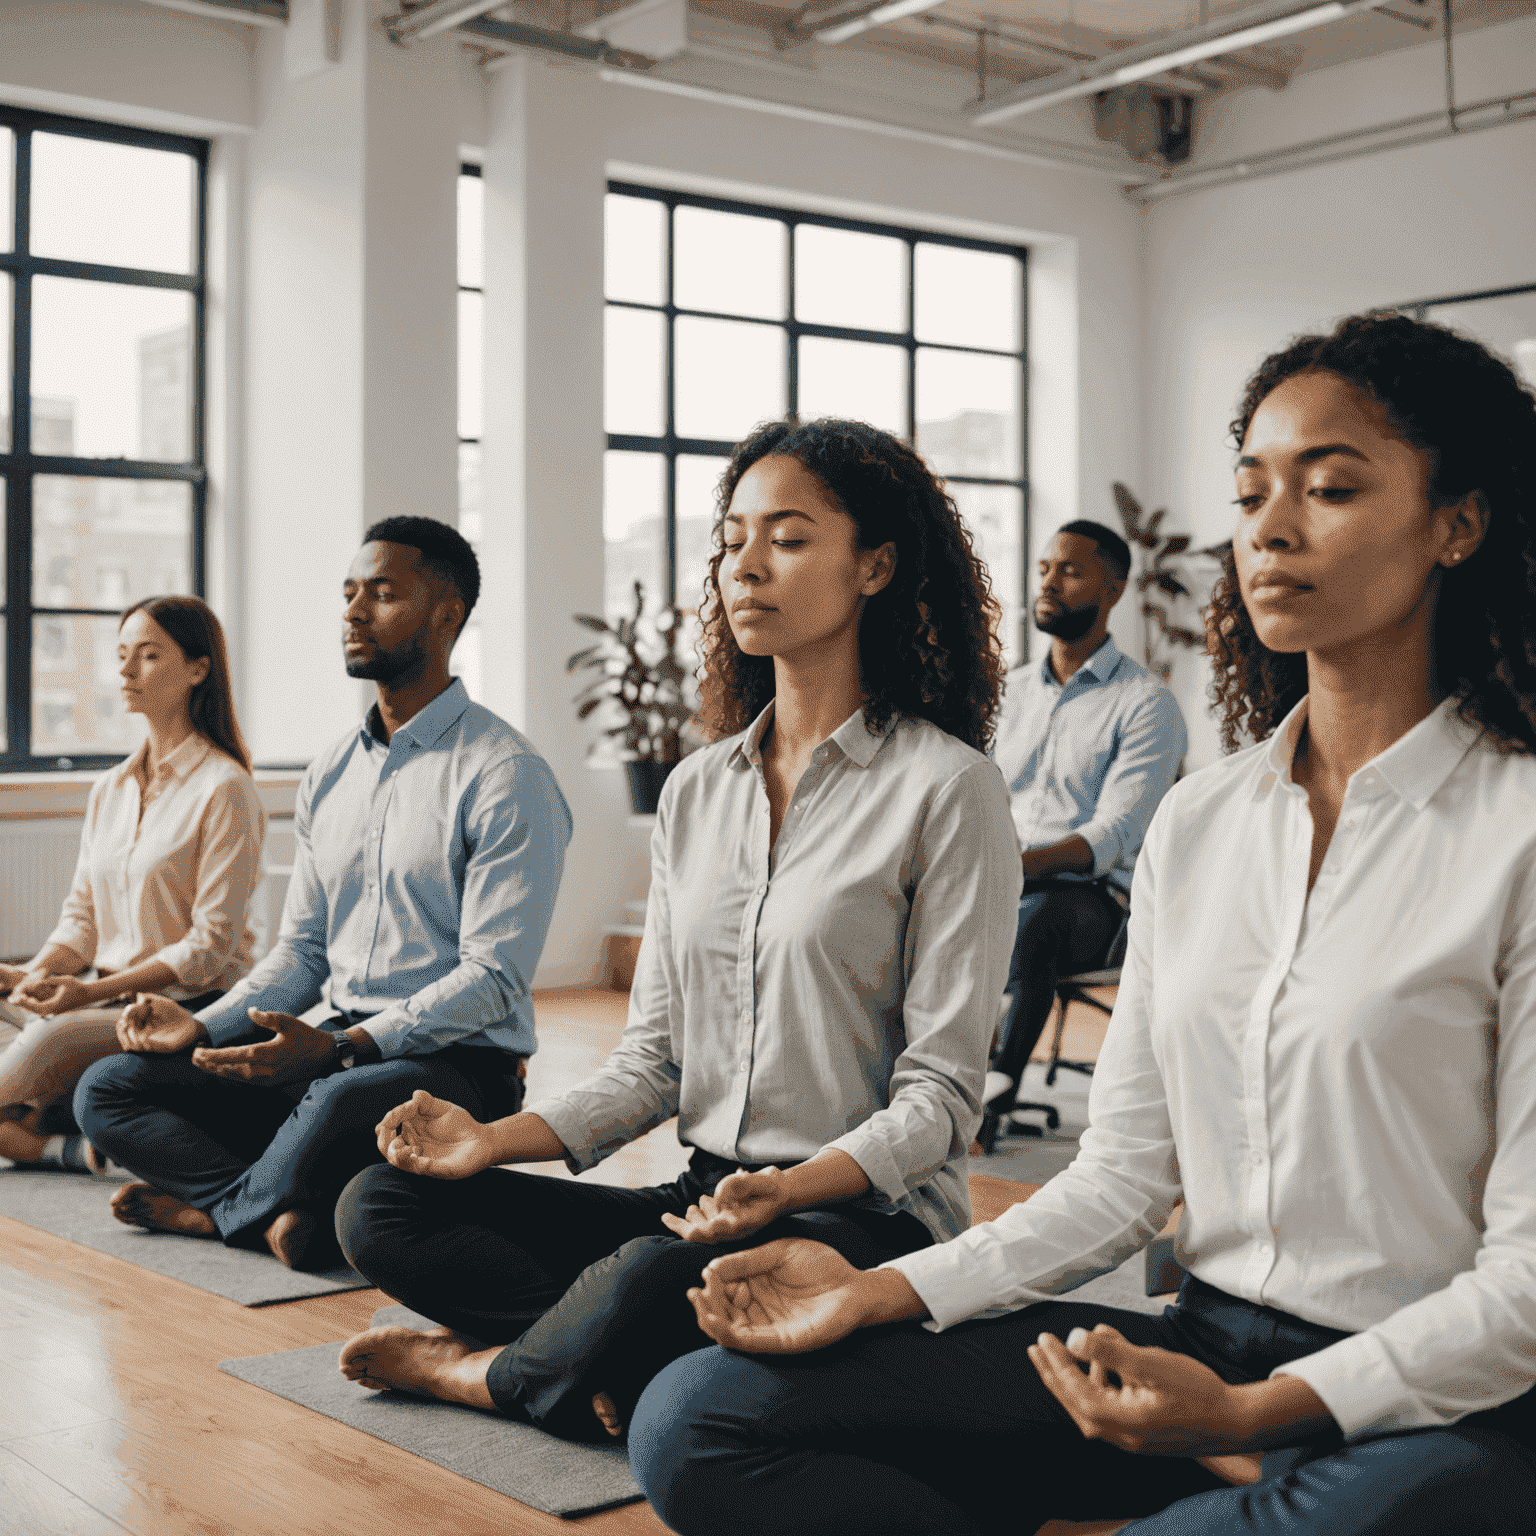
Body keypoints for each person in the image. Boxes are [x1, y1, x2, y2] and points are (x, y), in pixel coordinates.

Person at [628, 314, 1536, 1536]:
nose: (1269, 527)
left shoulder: (1517, 831)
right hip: (1194, 1348)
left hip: (1437, 1412)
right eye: (1251, 491)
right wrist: (879, 1290)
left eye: (1329, 489)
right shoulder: (1206, 823)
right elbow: (1120, 1176)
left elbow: (1525, 1293)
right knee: (701, 1416)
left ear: (1458, 525)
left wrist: (1253, 1417)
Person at [330, 418, 1021, 1443]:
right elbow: (650, 1063)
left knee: (652, 1273)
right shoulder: (698, 792)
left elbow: (940, 1105)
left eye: (786, 539)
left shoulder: (948, 789)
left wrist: (785, 1188)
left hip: (855, 1217)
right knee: (380, 1205)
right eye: (732, 540)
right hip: (705, 1197)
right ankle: (609, 1349)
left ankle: (484, 1374)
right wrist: (489, 1140)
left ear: (876, 565)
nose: (744, 566)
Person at [74, 517, 572, 1270]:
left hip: (456, 1066)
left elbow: (495, 979)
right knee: (109, 1087)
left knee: (336, 1101)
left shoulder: (507, 774)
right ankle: (278, 1198)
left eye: (382, 593)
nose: (353, 612)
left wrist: (343, 1049)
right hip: (331, 1044)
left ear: (447, 614)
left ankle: (222, 1213)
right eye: (348, 594)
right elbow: (302, 951)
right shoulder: (331, 771)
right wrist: (203, 1029)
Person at [0, 596, 263, 1174]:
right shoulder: (110, 789)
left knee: (24, 1067)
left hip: (181, 1008)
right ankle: (77, 1147)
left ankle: (55, 1129)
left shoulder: (224, 788)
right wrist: (35, 974)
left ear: (198, 669)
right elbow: (82, 919)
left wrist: (88, 995)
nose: (125, 672)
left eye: (147, 655)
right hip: (97, 998)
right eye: (122, 655)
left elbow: (210, 945)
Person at [983, 520, 1185, 1147]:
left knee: (1037, 913)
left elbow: (1117, 831)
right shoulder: (1007, 694)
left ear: (1115, 589)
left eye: (1069, 570)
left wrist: (1018, 867)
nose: (1049, 582)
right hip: (999, 882)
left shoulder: (1146, 704)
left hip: (1095, 905)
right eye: (1045, 567)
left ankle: (991, 1095)